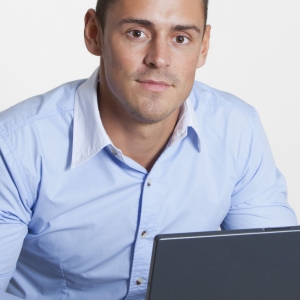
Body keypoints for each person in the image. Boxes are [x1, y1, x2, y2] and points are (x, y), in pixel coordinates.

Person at [0, 0, 297, 299]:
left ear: (203, 46)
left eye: (180, 38)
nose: (159, 59)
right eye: (137, 33)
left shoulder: (236, 128)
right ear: (94, 34)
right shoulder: (15, 145)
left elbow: (275, 279)